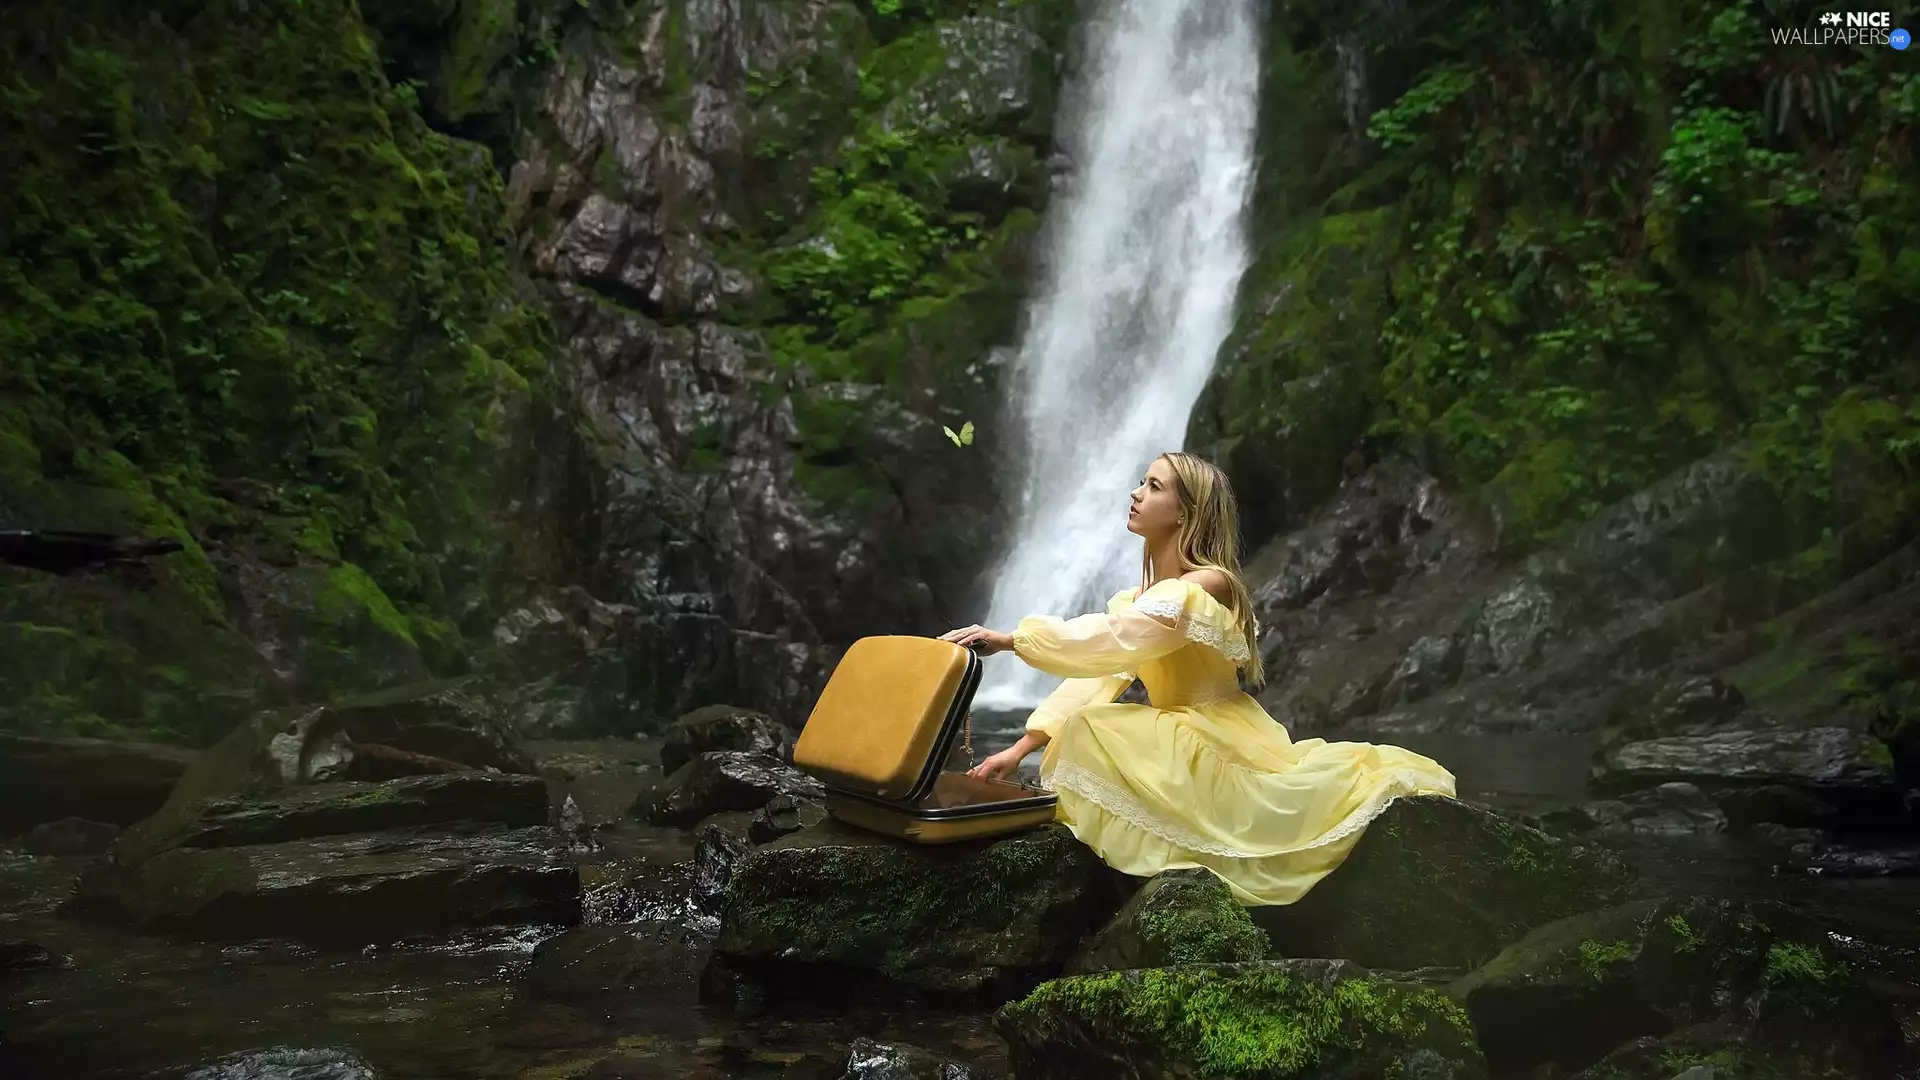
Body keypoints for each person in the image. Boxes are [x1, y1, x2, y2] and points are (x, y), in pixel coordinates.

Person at [940, 451, 1457, 906]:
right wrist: (1019, 750)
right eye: (1141, 482)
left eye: (1153, 486)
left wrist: (1012, 640)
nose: (1136, 494)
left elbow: (1117, 637)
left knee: (1094, 731)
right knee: (1090, 727)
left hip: (1214, 733)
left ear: (1185, 513)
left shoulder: (1208, 584)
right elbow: (1103, 672)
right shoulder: (1144, 598)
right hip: (1178, 735)